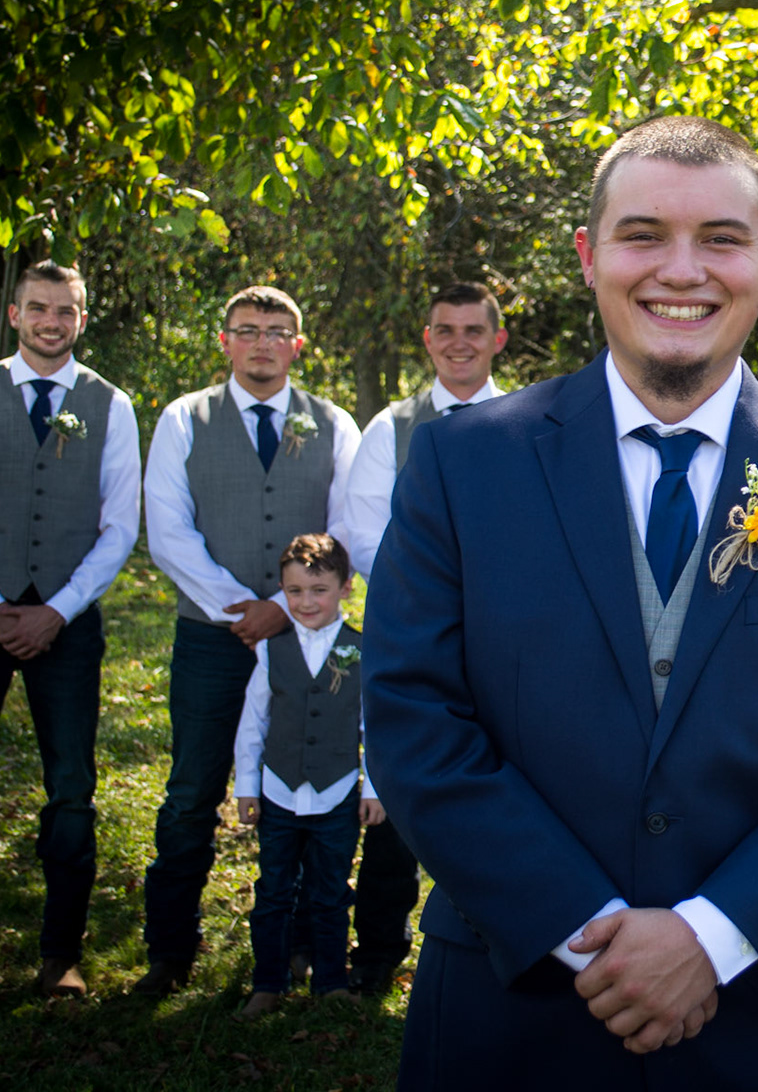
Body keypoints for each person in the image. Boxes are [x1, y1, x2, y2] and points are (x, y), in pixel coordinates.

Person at [361, 115, 758, 1089]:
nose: (682, 269)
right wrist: (582, 928)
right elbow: (412, 716)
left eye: (721, 238)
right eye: (643, 235)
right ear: (589, 255)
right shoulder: (461, 464)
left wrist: (713, 937)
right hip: (514, 1003)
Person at [137, 285, 361, 995]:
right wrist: (242, 610)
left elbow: (347, 524)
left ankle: (301, 946)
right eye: (247, 330)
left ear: (297, 345)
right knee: (191, 788)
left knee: (308, 784)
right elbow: (167, 529)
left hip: (307, 642)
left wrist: (282, 610)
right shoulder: (184, 418)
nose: (262, 343)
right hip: (211, 637)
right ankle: (170, 949)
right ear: (225, 340)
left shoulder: (334, 423)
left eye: (276, 331)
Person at [0, 260, 140, 995]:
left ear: (83, 318)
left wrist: (57, 610)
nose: (53, 322)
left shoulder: (111, 404)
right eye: (39, 308)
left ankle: (61, 956)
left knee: (72, 786)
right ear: (15, 314)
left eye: (66, 310)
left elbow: (120, 526)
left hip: (67, 619)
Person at [340, 280, 509, 994]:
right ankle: (380, 949)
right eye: (446, 330)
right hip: (416, 633)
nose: (459, 343)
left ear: (498, 339)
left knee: (506, 778)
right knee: (404, 782)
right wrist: (437, 597)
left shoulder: (532, 422)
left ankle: (502, 931)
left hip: (508, 640)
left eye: (474, 330)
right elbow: (363, 532)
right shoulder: (391, 428)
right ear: (428, 340)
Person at [233, 534, 381, 1019]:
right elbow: (253, 724)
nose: (306, 602)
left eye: (319, 590)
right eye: (295, 591)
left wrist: (372, 788)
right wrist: (247, 787)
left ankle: (331, 981)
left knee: (331, 892)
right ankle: (268, 982)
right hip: (278, 792)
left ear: (345, 588)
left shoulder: (361, 650)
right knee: (274, 892)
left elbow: (373, 728)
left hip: (337, 793)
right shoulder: (270, 651)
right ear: (282, 590)